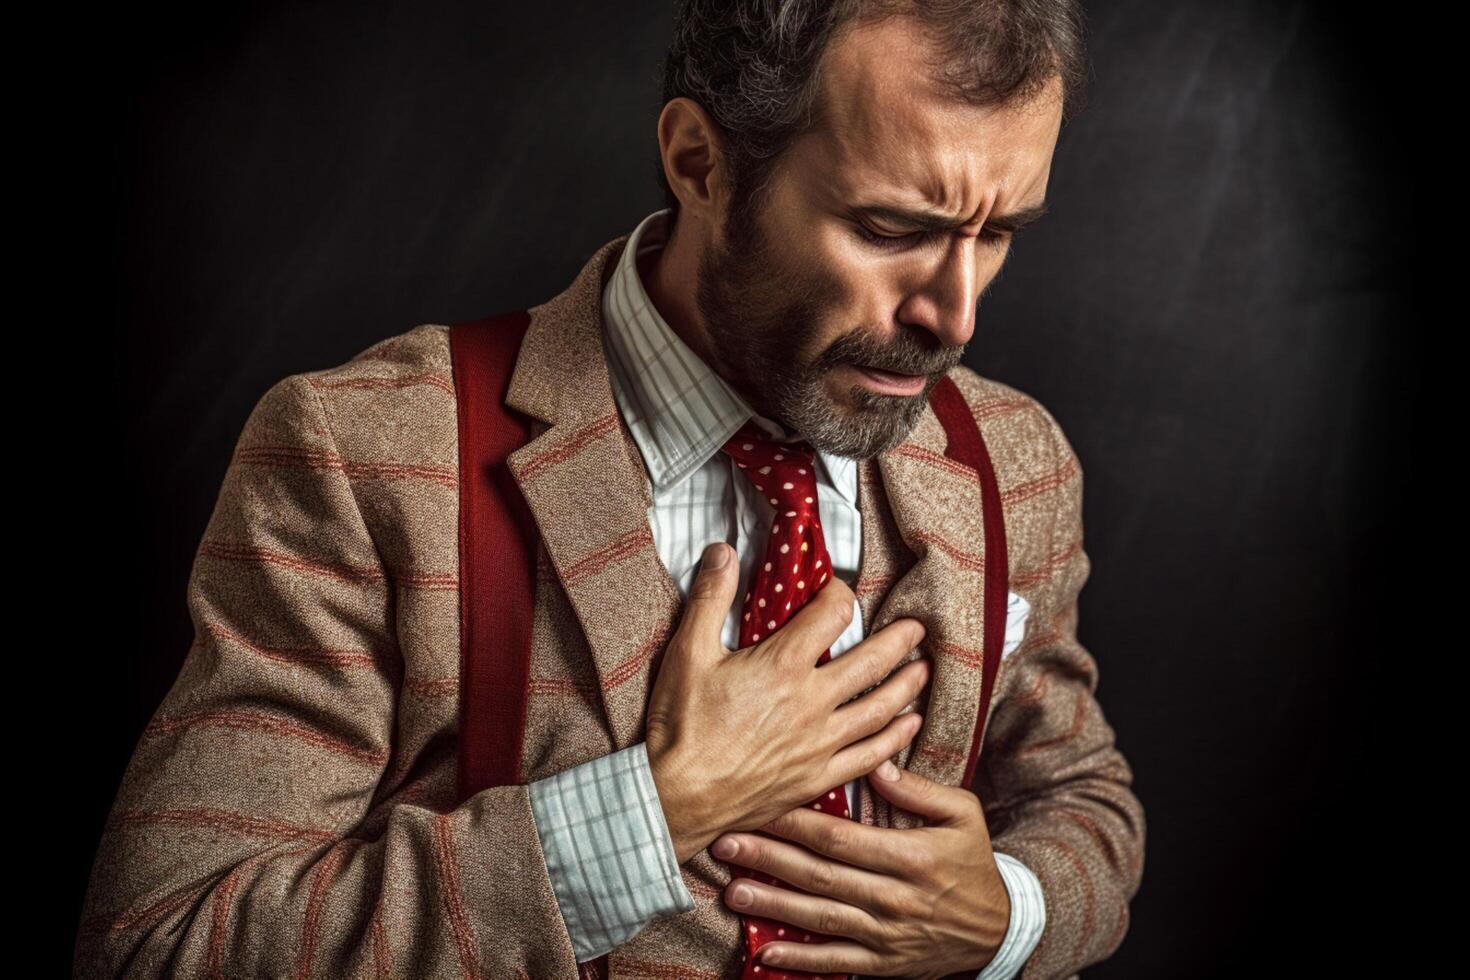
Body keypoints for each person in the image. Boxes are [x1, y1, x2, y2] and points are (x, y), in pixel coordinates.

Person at [75, 2, 1144, 978]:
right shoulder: (363, 456)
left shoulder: (1014, 456)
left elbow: (1084, 798)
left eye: (995, 233)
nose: (954, 315)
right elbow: (164, 942)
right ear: (699, 162)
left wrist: (1008, 913)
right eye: (890, 228)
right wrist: (648, 813)